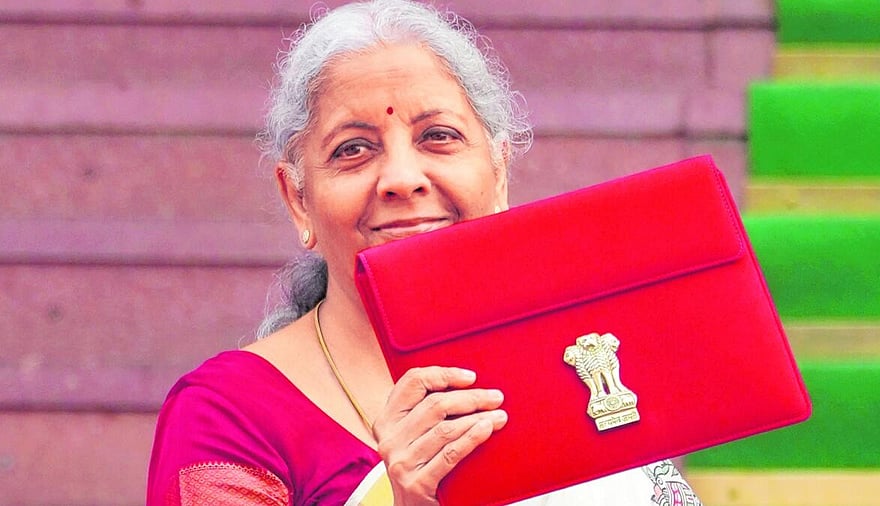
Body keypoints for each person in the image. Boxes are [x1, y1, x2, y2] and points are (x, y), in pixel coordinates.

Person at [146, 1, 703, 504]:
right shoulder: (229, 419)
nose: (402, 178)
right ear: (298, 198)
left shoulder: (582, 355)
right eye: (353, 149)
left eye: (438, 136)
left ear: (500, 168)